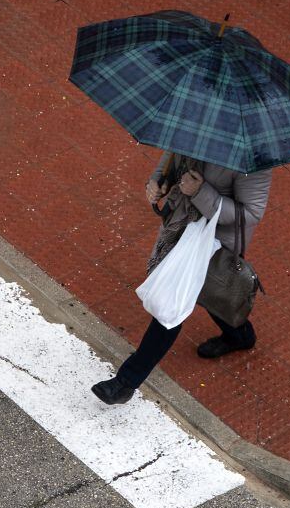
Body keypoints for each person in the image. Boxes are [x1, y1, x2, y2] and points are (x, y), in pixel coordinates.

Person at [91, 152, 273, 405]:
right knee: (210, 291)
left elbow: (250, 214)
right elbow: (173, 159)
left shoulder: (253, 159)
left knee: (170, 304)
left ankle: (125, 382)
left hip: (211, 240)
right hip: (179, 225)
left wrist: (199, 192)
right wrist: (158, 181)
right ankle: (239, 335)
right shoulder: (195, 125)